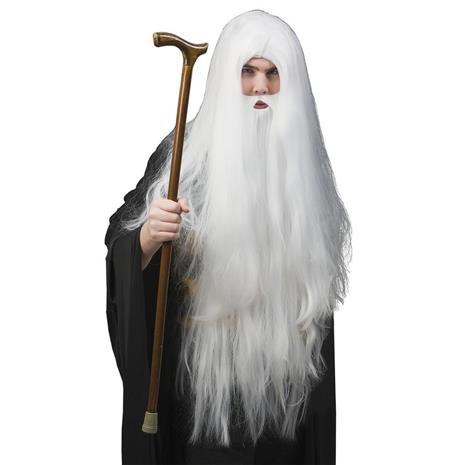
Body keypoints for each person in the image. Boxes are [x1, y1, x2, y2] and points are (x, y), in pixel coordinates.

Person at [105, 9, 352, 465]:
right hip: (198, 403)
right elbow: (122, 235)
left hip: (285, 405)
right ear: (225, 77)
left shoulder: (303, 164)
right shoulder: (182, 157)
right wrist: (146, 241)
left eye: (273, 73)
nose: (260, 87)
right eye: (248, 72)